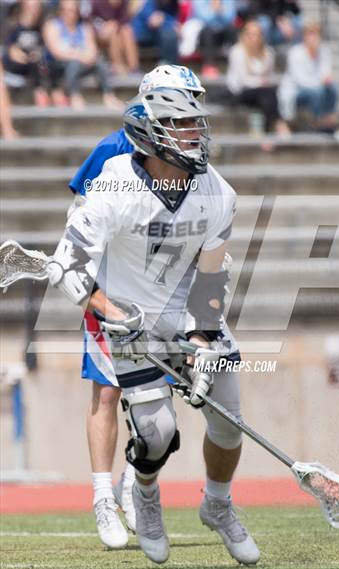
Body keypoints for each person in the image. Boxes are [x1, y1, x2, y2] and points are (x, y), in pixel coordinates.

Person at [48, 63, 260, 566]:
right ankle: (143, 492)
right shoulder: (114, 182)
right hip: (130, 316)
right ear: (157, 124)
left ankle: (218, 503)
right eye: (184, 123)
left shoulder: (218, 192)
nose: (196, 133)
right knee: (157, 433)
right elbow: (67, 266)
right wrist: (106, 309)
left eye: (196, 122)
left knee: (229, 420)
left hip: (186, 315)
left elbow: (210, 279)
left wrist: (204, 341)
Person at [67, 65, 213, 551]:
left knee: (160, 407)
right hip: (112, 293)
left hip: (163, 296)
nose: (193, 117)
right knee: (107, 393)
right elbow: (82, 221)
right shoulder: (115, 148)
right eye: (185, 100)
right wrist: (95, 291)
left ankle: (134, 482)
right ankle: (103, 496)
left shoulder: (192, 157)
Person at [43, 0, 123, 109]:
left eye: (72, 10)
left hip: (81, 63)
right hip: (57, 66)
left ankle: (108, 96)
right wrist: (80, 56)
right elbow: (56, 52)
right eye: (65, 10)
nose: (68, 13)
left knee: (99, 61)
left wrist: (88, 56)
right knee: (73, 63)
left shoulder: (84, 27)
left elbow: (92, 49)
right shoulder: (52, 26)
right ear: (60, 11)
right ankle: (74, 96)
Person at [227, 19, 290, 148]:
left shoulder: (268, 52)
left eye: (257, 34)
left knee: (266, 95)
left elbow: (270, 76)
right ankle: (279, 123)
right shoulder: (237, 51)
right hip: (241, 91)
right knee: (267, 93)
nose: (254, 38)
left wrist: (262, 82)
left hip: (262, 93)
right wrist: (260, 82)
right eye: (251, 34)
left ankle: (267, 135)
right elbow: (241, 80)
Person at [280, 21, 339, 133]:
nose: (313, 37)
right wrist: (321, 81)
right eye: (310, 33)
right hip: (297, 91)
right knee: (317, 92)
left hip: (316, 88)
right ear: (304, 36)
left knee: (333, 87)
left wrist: (326, 79)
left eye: (316, 34)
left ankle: (327, 118)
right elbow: (300, 80)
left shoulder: (324, 51)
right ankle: (318, 121)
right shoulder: (295, 52)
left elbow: (326, 73)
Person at [3, 0, 52, 107]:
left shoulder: (42, 27)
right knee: (34, 63)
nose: (34, 10)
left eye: (36, 7)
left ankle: (42, 94)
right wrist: (25, 57)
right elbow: (12, 51)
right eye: (31, 7)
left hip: (33, 66)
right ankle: (39, 93)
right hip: (16, 64)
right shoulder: (14, 26)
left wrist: (36, 55)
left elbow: (44, 49)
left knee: (38, 63)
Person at [90, 0, 140, 75]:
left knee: (127, 31)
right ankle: (118, 66)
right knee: (113, 32)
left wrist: (114, 24)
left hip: (117, 32)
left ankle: (134, 68)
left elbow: (124, 20)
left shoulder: (124, 2)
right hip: (99, 33)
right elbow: (89, 21)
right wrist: (103, 27)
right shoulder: (97, 2)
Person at [193, 0, 237, 78]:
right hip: (204, 31)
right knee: (208, 31)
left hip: (223, 29)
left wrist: (219, 11)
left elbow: (231, 18)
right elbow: (201, 17)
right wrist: (215, 11)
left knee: (233, 30)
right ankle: (209, 65)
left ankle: (236, 64)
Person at [131, 0, 179, 65]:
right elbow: (153, 22)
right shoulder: (150, 3)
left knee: (170, 34)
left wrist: (167, 21)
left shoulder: (173, 4)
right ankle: (166, 63)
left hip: (158, 34)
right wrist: (169, 23)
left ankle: (171, 64)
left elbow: (174, 23)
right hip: (140, 33)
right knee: (168, 34)